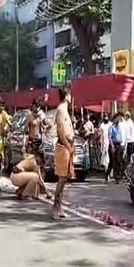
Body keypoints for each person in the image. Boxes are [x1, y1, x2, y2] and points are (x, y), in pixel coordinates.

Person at [53, 87, 75, 220]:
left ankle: (59, 206)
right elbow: (61, 132)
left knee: (65, 178)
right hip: (63, 147)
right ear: (66, 95)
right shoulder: (61, 110)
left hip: (68, 147)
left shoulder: (66, 110)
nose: (71, 97)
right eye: (70, 94)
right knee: (61, 179)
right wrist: (68, 146)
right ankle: (55, 207)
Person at [106, 112, 124, 183]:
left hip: (119, 145)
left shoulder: (119, 127)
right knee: (112, 162)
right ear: (114, 119)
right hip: (113, 145)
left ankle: (117, 177)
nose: (118, 120)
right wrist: (112, 146)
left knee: (118, 161)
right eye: (117, 119)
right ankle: (107, 174)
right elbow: (110, 137)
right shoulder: (111, 127)